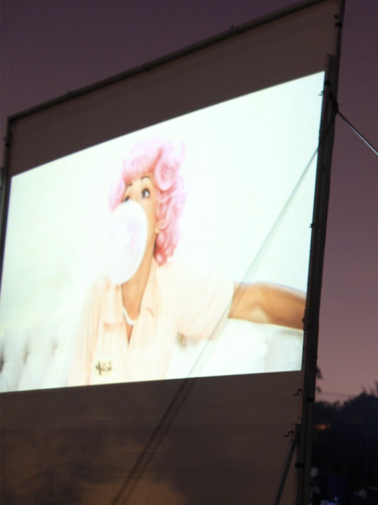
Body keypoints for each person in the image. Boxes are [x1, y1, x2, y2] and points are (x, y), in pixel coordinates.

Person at [70, 139, 305, 385]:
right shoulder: (98, 293)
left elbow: (254, 302)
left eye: (145, 192)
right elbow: (75, 387)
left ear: (161, 217)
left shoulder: (174, 282)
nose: (132, 206)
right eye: (127, 197)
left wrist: (322, 318)